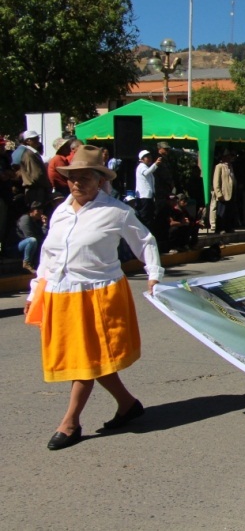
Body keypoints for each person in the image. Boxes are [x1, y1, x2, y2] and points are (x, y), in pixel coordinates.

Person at [23, 145, 163, 450]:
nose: (77, 184)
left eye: (85, 178)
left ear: (100, 180)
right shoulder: (61, 211)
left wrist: (154, 274)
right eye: (72, 177)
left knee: (83, 359)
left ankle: (70, 422)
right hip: (62, 293)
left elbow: (145, 241)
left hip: (98, 294)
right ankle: (127, 404)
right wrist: (36, 291)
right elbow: (48, 255)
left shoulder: (116, 211)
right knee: (90, 358)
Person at [13, 130, 51, 206]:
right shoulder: (29, 154)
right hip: (35, 190)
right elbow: (36, 175)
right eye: (35, 139)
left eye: (37, 138)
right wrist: (46, 184)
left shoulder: (32, 152)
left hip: (37, 189)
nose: (37, 141)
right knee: (36, 213)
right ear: (27, 141)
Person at [17, 200, 48, 273]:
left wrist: (44, 224)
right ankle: (26, 263)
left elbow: (43, 237)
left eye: (41, 210)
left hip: (26, 247)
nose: (40, 213)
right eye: (37, 210)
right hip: (15, 247)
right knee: (32, 240)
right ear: (31, 211)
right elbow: (29, 236)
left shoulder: (35, 222)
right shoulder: (25, 218)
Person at [210, 150, 237, 234]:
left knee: (229, 211)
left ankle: (228, 227)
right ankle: (219, 228)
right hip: (224, 193)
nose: (230, 158)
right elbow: (216, 181)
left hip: (231, 192)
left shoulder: (231, 166)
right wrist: (218, 193)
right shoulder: (219, 166)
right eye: (228, 156)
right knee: (221, 212)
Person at [134, 150, 158, 230]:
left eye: (150, 157)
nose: (149, 158)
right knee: (145, 217)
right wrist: (156, 164)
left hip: (148, 196)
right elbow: (146, 172)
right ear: (142, 159)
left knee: (149, 216)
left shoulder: (146, 166)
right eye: (147, 157)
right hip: (144, 196)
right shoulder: (141, 166)